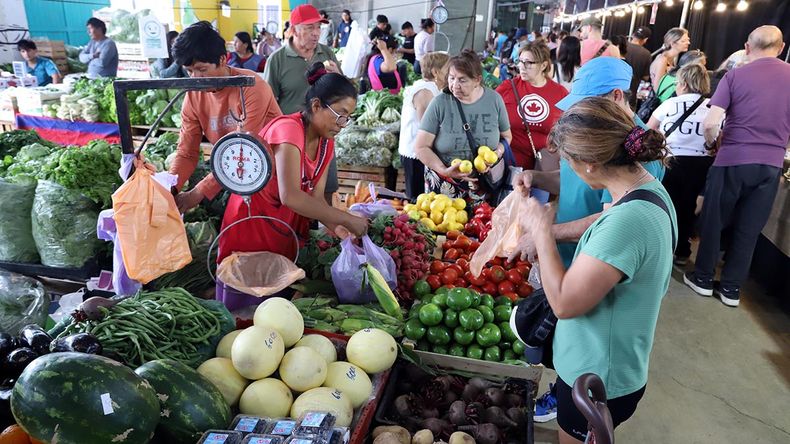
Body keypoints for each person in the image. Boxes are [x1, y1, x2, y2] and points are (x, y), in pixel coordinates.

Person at [509, 56, 666, 425]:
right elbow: (574, 183)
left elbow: (566, 303)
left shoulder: (624, 219)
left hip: (597, 374)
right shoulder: (618, 160)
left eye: (575, 162)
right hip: (590, 352)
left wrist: (543, 229)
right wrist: (536, 177)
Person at [218, 62, 368, 265]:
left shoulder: (326, 143)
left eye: (347, 118)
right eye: (340, 115)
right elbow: (290, 196)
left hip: (282, 228)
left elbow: (316, 198)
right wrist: (346, 218)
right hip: (252, 225)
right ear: (316, 105)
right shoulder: (288, 130)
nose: (342, 125)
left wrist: (338, 228)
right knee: (246, 279)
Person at [684, 25, 790, 308]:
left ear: (747, 47)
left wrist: (711, 144)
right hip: (771, 164)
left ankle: (703, 278)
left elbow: (711, 122)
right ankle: (731, 288)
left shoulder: (735, 75)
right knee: (749, 228)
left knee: (715, 219)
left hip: (732, 158)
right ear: (781, 48)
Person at [167, 21, 282, 214]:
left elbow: (243, 150)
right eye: (189, 71)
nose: (196, 78)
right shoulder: (193, 96)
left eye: (202, 69)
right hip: (234, 173)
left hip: (272, 175)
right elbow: (187, 153)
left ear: (222, 59)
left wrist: (197, 193)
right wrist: (169, 189)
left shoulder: (251, 87)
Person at [264, 4, 341, 204]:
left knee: (327, 190)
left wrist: (337, 77)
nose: (316, 33)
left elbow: (342, 93)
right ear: (294, 29)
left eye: (318, 27)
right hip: (290, 141)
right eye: (309, 28)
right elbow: (268, 102)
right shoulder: (277, 60)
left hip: (323, 137)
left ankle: (324, 223)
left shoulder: (327, 54)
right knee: (293, 193)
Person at [414, 50, 512, 200]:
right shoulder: (440, 103)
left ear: (477, 80)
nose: (455, 85)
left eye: (462, 80)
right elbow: (421, 147)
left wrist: (496, 154)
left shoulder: (494, 100)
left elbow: (507, 137)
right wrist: (444, 170)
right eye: (451, 78)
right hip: (444, 186)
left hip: (485, 185)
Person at [647, 63, 713, 266]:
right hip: (701, 162)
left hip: (671, 159)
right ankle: (682, 250)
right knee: (688, 205)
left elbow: (649, 129)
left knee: (666, 204)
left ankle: (663, 248)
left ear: (683, 84)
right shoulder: (712, 106)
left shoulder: (670, 104)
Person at [496, 41, 567, 170]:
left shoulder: (560, 93)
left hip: (543, 167)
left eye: (528, 63)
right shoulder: (507, 88)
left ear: (543, 65)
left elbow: (567, 131)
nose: (521, 67)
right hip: (508, 164)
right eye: (520, 61)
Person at [399, 52, 450, 199]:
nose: (450, 73)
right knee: (418, 199)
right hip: (416, 155)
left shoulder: (430, 88)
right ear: (435, 72)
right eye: (447, 69)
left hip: (422, 152)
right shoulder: (425, 91)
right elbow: (427, 126)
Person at [625, 26, 653, 108]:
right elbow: (646, 77)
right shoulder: (646, 54)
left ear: (633, 35)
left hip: (611, 91)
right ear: (645, 39)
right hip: (630, 95)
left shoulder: (619, 47)